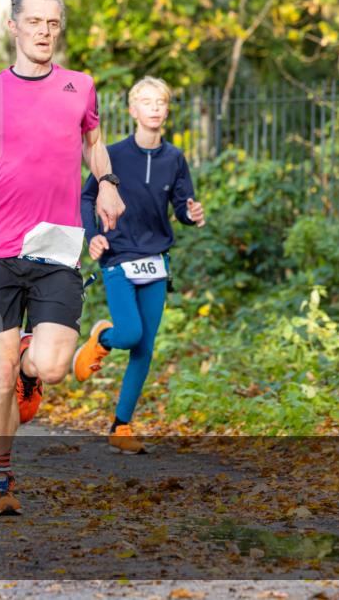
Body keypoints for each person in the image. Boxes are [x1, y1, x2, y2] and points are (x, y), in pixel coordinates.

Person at [0, 0, 126, 515]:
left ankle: (30, 364)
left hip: (56, 248)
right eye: (35, 22)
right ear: (14, 26)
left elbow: (92, 141)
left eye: (54, 23)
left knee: (53, 365)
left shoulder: (79, 86)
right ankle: (0, 481)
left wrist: (107, 180)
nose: (45, 31)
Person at [75, 76, 205, 454]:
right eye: (146, 101)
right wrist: (92, 235)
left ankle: (121, 425)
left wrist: (191, 212)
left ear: (166, 110)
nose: (154, 108)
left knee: (144, 349)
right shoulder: (112, 154)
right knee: (129, 334)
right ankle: (102, 338)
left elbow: (182, 206)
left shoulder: (175, 158)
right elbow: (87, 197)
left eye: (160, 102)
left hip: (156, 260)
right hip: (118, 256)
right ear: (133, 110)